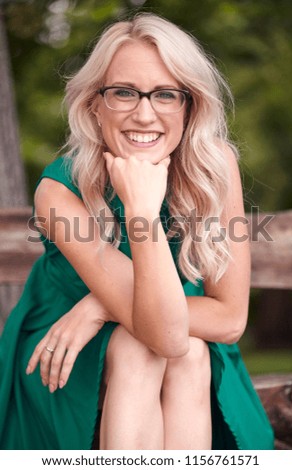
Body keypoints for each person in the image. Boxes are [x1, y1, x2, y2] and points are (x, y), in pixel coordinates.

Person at [0, 13, 274, 450]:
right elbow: (162, 333)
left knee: (183, 351)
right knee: (147, 346)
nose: (144, 114)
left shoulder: (214, 166)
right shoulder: (58, 192)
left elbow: (229, 319)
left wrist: (98, 307)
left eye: (165, 94)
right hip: (65, 356)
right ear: (95, 102)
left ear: (190, 105)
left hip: (167, 343)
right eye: (124, 92)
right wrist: (142, 211)